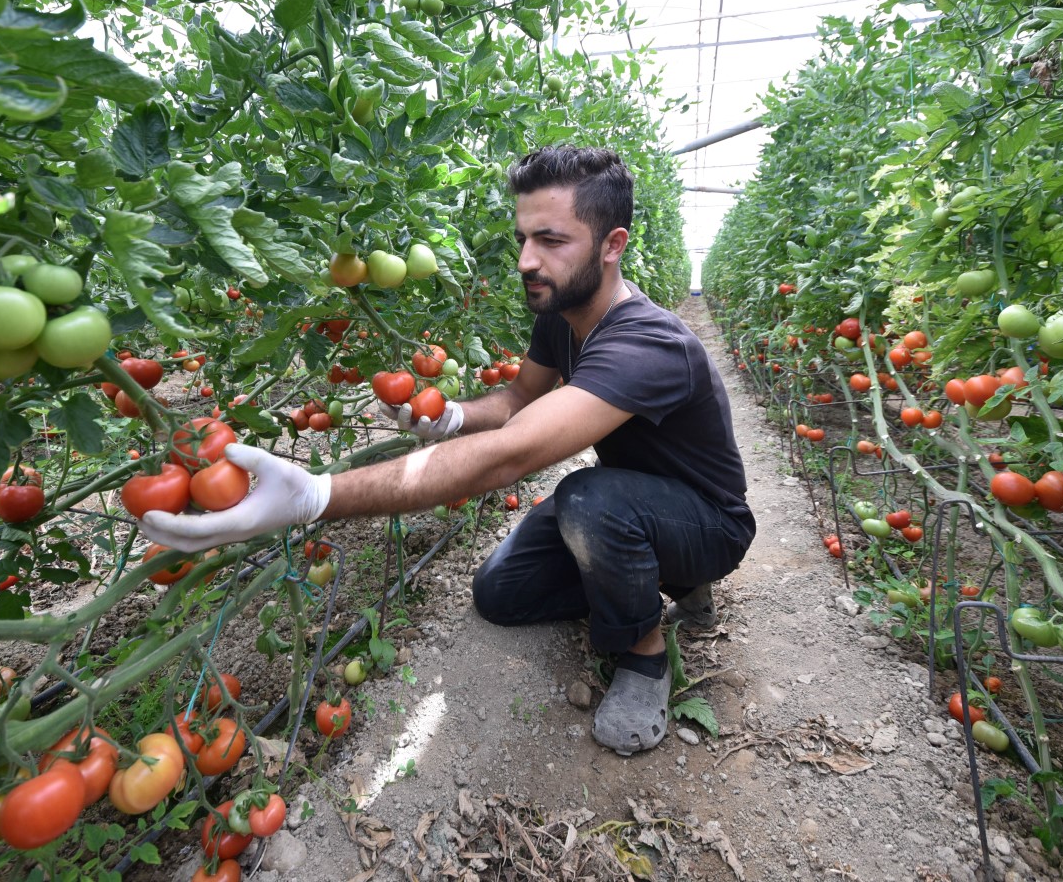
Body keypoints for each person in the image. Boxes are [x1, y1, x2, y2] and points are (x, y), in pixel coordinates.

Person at [141, 145, 755, 755]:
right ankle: (648, 579)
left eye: (551, 240)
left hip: (708, 522)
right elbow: (516, 400)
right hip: (636, 504)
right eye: (522, 238)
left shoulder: (650, 341)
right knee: (500, 593)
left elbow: (510, 453)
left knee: (589, 501)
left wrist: (316, 496)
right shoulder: (562, 312)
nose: (526, 260)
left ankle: (647, 650)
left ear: (612, 244)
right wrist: (455, 415)